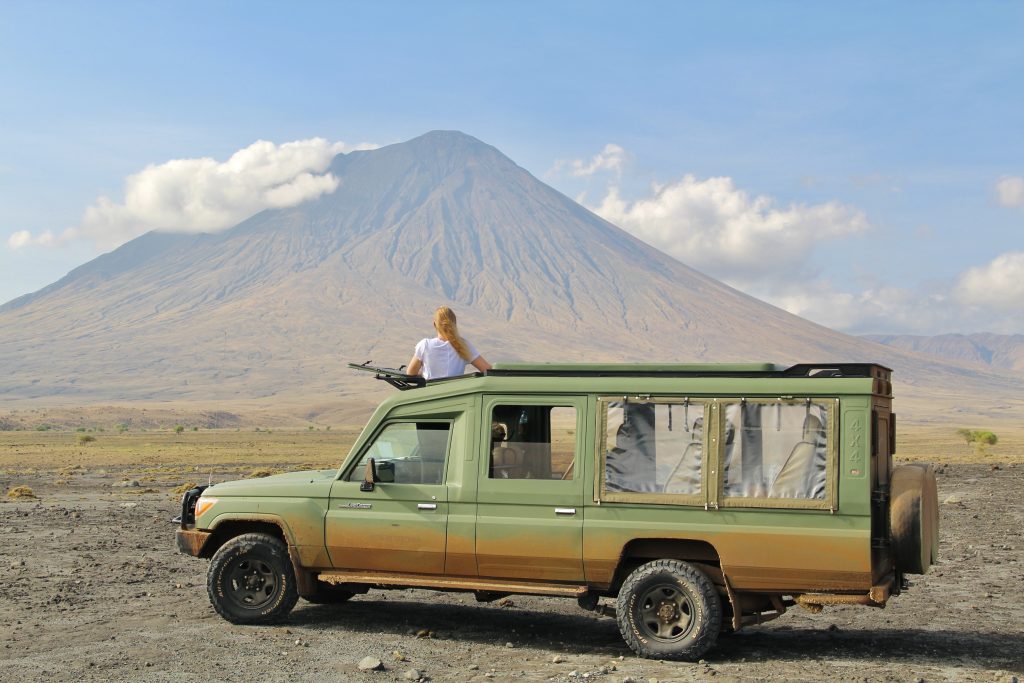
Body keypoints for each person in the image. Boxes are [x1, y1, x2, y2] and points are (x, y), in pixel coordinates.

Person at [406, 306, 492, 380]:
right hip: (454, 396)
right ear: (454, 324)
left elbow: (410, 373)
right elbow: (487, 370)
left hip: (430, 396)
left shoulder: (425, 345)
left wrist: (423, 373)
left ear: (435, 324)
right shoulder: (463, 344)